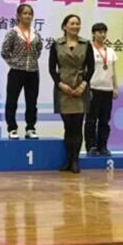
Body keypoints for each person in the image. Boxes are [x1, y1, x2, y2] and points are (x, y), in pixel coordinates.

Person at [49, 14, 94, 173]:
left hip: (80, 86)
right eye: (72, 23)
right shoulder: (56, 44)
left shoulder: (86, 44)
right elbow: (51, 68)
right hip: (63, 88)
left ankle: (75, 161)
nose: (75, 26)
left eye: (77, 23)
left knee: (77, 125)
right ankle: (68, 160)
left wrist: (83, 85)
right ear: (65, 26)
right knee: (68, 126)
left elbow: (91, 67)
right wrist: (60, 84)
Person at [1, 4, 43, 140]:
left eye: (30, 13)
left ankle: (30, 128)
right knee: (12, 101)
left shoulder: (35, 33)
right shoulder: (13, 32)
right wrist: (15, 63)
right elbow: (5, 51)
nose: (28, 16)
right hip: (16, 72)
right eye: (25, 13)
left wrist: (31, 62)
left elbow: (38, 50)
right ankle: (12, 128)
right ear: (18, 16)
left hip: (33, 72)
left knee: (32, 102)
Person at [84, 22, 118, 156]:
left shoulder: (110, 51)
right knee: (91, 120)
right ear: (93, 34)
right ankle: (91, 146)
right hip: (93, 88)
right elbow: (85, 70)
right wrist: (86, 87)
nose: (102, 35)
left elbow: (113, 71)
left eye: (104, 32)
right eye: (99, 32)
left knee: (105, 121)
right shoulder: (88, 50)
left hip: (107, 89)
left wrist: (115, 88)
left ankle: (102, 146)